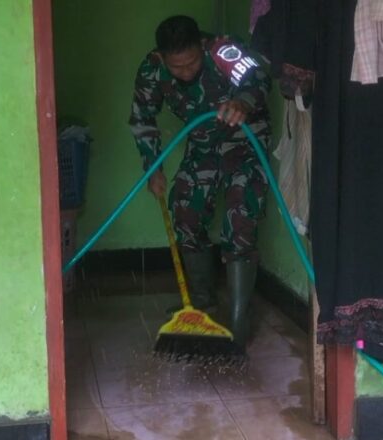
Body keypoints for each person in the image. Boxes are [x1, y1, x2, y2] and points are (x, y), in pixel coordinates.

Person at [128, 15, 272, 348]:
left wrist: (243, 101)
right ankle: (202, 301)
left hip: (246, 142)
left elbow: (258, 77)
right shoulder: (152, 69)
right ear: (163, 58)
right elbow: (142, 118)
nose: (187, 71)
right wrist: (154, 167)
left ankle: (239, 316)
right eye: (177, 67)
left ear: (201, 47)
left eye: (192, 62)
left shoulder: (222, 50)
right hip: (203, 144)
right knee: (184, 209)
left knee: (242, 215)